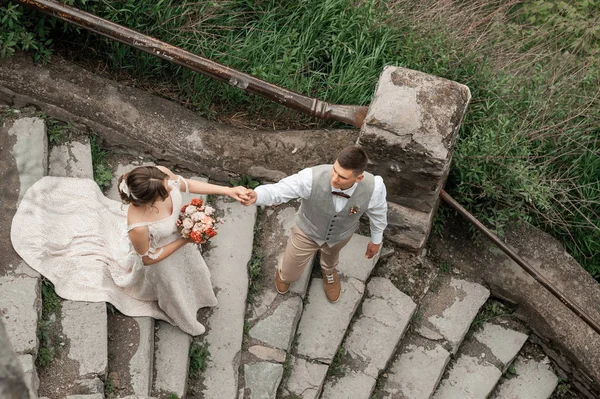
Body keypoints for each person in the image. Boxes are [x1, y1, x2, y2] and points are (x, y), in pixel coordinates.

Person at [11, 165, 248, 336]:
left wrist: (227, 190)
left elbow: (184, 183)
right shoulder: (138, 226)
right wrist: (185, 239)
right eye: (165, 192)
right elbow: (149, 258)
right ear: (148, 202)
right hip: (162, 262)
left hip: (180, 244)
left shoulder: (161, 175)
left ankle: (200, 294)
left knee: (192, 271)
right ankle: (184, 315)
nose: (171, 190)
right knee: (174, 283)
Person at [242, 145, 387, 303]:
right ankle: (285, 273)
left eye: (342, 177)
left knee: (331, 258)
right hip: (307, 231)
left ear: (359, 178)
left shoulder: (375, 188)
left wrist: (376, 239)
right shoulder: (311, 178)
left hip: (340, 235)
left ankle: (328, 271)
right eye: (335, 170)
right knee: (289, 274)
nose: (334, 179)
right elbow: (279, 190)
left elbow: (378, 213)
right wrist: (257, 195)